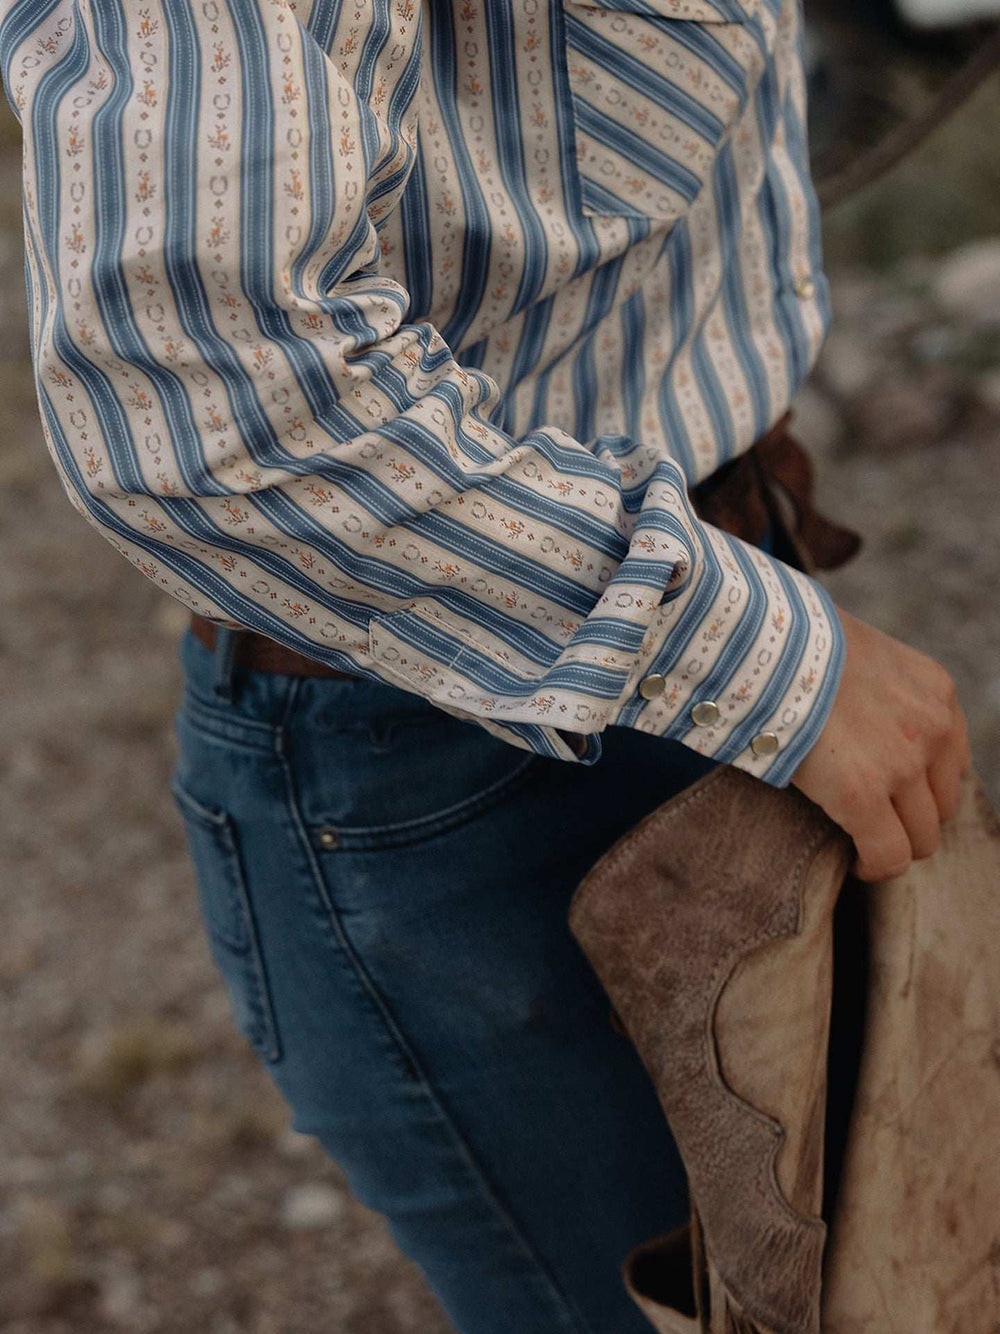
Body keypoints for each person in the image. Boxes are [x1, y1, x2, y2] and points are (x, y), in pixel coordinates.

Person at [0, 1, 972, 1330]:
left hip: (687, 622)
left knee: (877, 1278)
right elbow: (210, 405)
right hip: (453, 751)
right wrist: (770, 667)